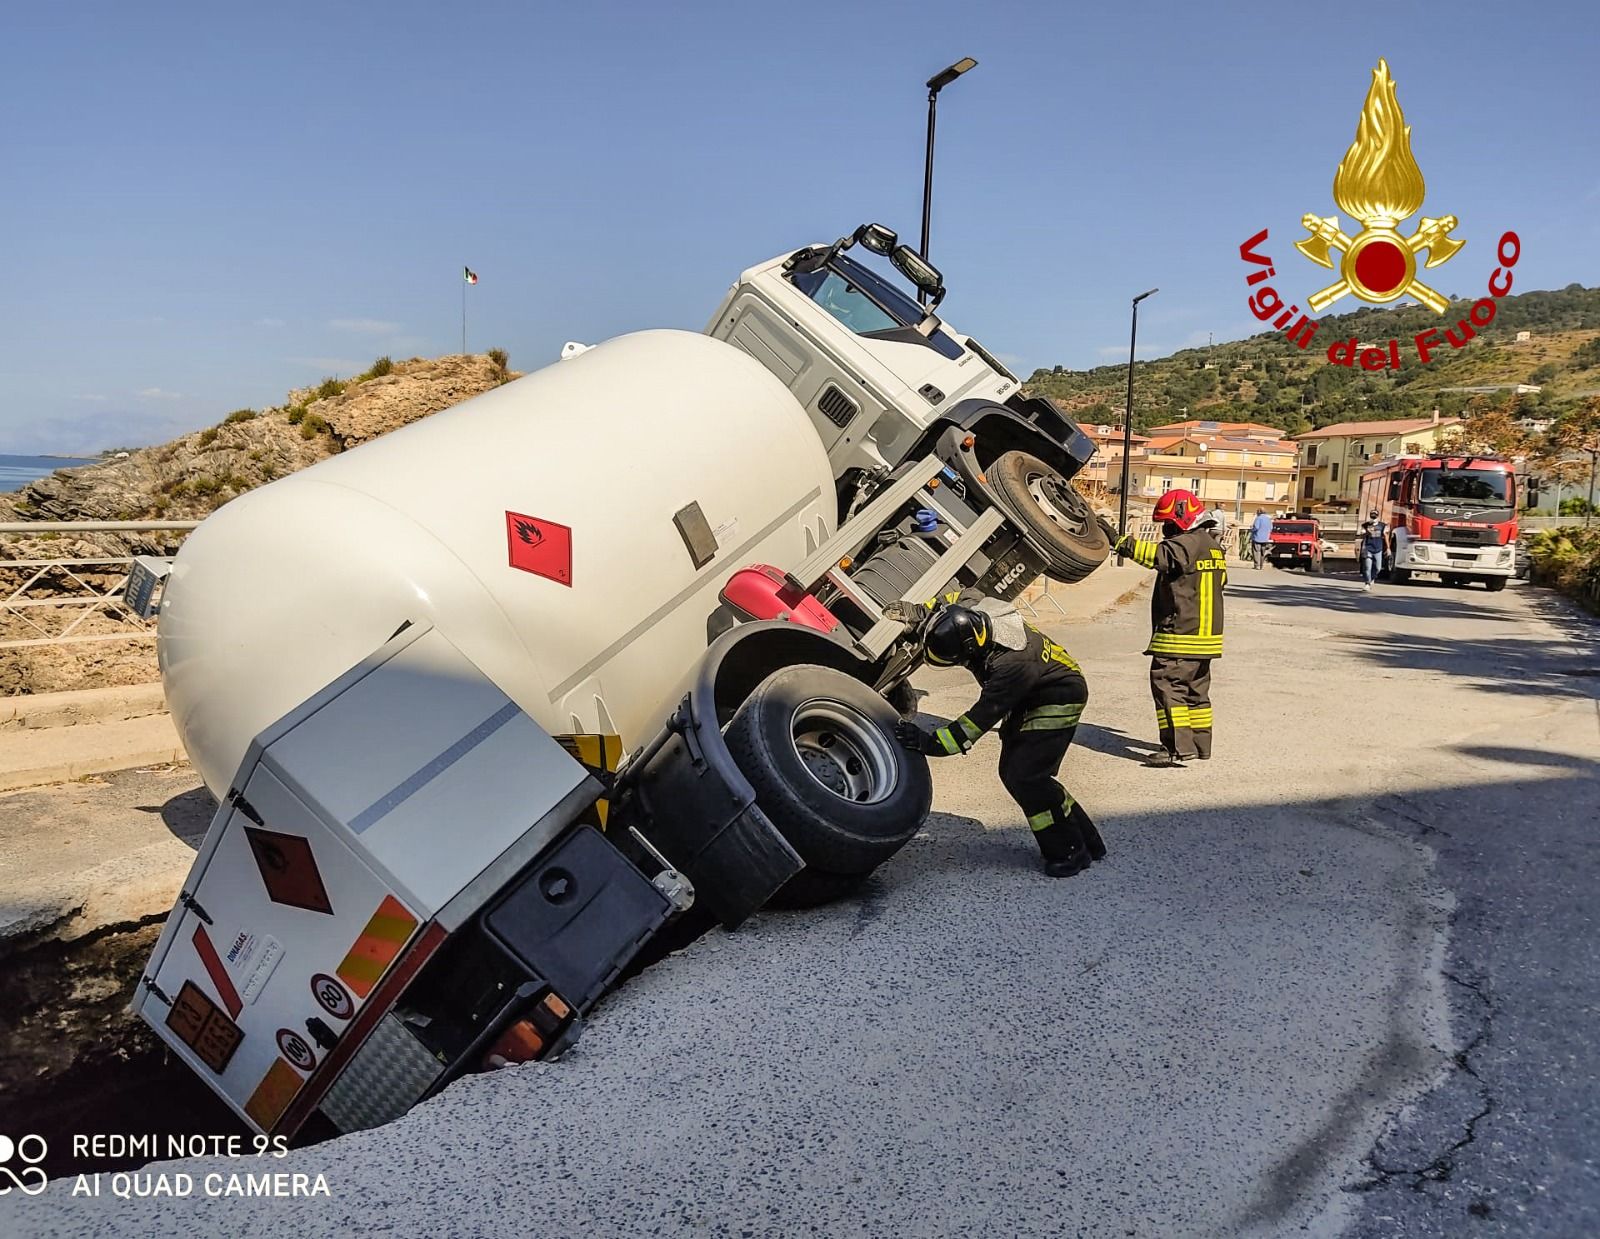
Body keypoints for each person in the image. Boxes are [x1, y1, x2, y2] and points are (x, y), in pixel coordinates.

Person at [894, 591, 1103, 877]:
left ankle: (1069, 852)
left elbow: (975, 723)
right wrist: (920, 613)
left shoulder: (1010, 667)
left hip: (1058, 696)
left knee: (1026, 776)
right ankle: (1089, 840)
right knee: (1023, 774)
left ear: (970, 648)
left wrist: (928, 742)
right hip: (1036, 690)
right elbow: (959, 595)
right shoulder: (973, 612)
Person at [1101, 489, 1227, 767]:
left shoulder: (1185, 545)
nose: (1166, 530)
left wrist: (1116, 540)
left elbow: (1154, 556)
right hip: (1206, 640)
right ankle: (1199, 745)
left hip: (1180, 637)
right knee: (1196, 693)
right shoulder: (1212, 546)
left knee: (1168, 687)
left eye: (1168, 524)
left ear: (1182, 517)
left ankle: (1176, 748)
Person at [1358, 510, 1388, 590]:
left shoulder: (1382, 525)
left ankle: (1372, 578)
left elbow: (1385, 536)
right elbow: (1362, 535)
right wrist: (1367, 533)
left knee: (1378, 568)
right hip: (1368, 548)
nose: (1373, 515)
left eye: (1375, 514)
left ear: (1377, 515)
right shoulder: (1365, 525)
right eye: (1372, 514)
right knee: (1367, 567)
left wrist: (1388, 548)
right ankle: (1367, 583)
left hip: (1378, 548)